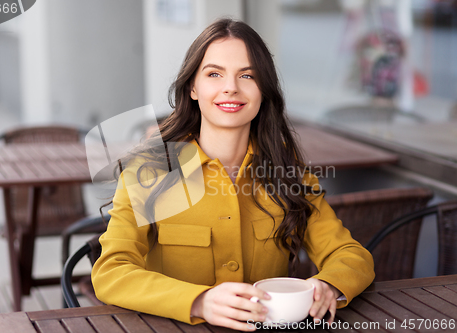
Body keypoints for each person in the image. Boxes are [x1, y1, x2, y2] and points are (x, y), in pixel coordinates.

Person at [91, 18, 375, 331]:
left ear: (263, 90)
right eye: (214, 74)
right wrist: (199, 301)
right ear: (193, 88)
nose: (231, 87)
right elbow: (111, 272)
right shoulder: (154, 166)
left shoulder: (285, 167)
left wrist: (328, 285)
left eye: (247, 75)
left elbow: (350, 255)